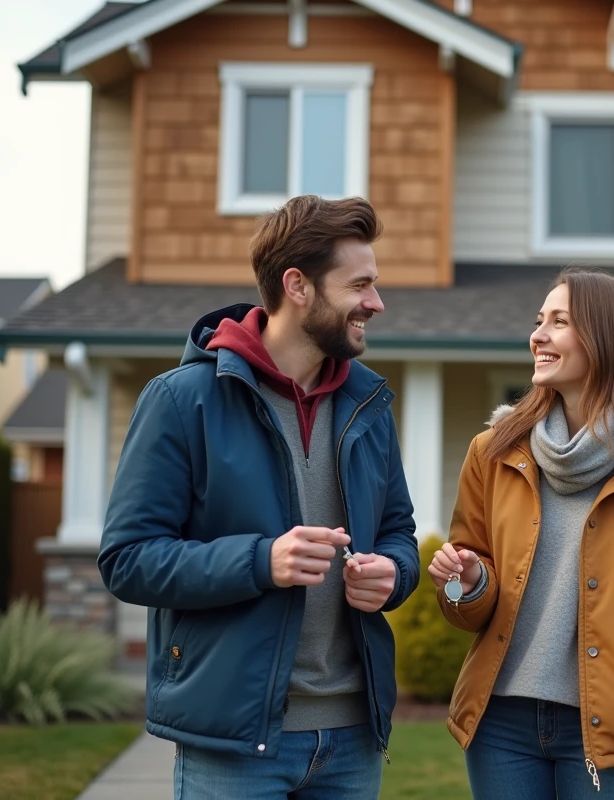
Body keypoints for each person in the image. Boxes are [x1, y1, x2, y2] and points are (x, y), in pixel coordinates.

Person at [99, 195, 420, 800]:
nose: (376, 303)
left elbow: (399, 530)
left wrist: (394, 574)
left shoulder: (369, 406)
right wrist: (260, 562)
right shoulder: (181, 400)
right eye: (361, 285)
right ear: (297, 285)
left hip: (352, 737)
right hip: (237, 741)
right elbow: (128, 559)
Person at [428, 268, 614, 799]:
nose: (537, 336)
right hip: (500, 723)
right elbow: (462, 604)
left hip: (612, 723)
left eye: (559, 322)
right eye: (538, 321)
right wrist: (466, 583)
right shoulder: (493, 454)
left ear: (606, 339)